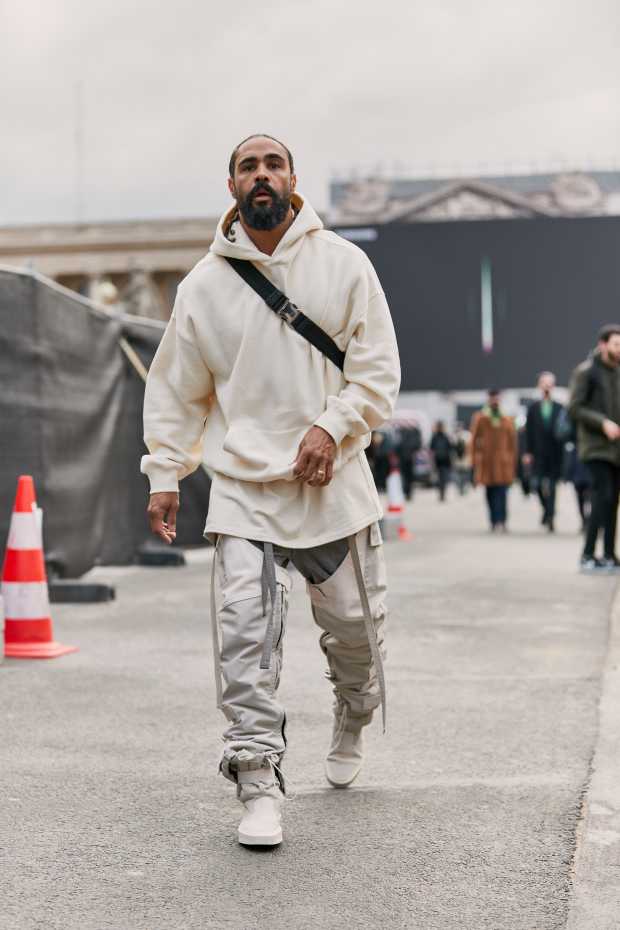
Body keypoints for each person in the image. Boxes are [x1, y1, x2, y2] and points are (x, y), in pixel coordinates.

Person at [141, 134, 401, 847]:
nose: (262, 175)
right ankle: (256, 778)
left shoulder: (345, 263)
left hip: (332, 479)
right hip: (244, 485)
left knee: (355, 628)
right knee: (243, 635)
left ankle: (355, 707)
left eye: (273, 163)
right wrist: (166, 472)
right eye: (248, 166)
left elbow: (377, 372)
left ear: (293, 178)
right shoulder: (202, 286)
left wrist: (334, 425)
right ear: (231, 187)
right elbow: (177, 391)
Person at [568, 324, 620, 573]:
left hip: (616, 449)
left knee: (613, 502)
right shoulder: (586, 372)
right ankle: (588, 554)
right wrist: (603, 423)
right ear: (603, 345)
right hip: (596, 447)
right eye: (616, 345)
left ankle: (609, 555)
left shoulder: (618, 372)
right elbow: (574, 408)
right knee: (603, 496)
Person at [470, 390, 517, 531]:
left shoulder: (507, 419)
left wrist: (512, 461)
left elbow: (512, 443)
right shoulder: (481, 418)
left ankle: (502, 521)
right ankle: (493, 520)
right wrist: (474, 460)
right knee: (490, 494)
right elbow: (473, 441)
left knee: (502, 494)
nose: (495, 401)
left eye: (497, 398)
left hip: (503, 464)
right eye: (492, 398)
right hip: (487, 463)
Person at [523, 372, 565, 532]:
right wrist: (527, 452)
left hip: (555, 453)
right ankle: (546, 510)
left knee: (553, 486)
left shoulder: (560, 408)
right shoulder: (533, 408)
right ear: (540, 385)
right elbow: (528, 432)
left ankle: (551, 516)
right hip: (538, 453)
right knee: (538, 484)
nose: (547, 386)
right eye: (544, 383)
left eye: (549, 383)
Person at [397, 421, 422, 500]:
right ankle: (408, 493)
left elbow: (397, 447)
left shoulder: (402, 435)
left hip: (404, 459)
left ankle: (406, 492)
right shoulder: (413, 435)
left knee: (405, 476)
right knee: (408, 477)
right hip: (409, 459)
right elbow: (417, 446)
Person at [430, 421, 453, 501]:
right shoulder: (445, 436)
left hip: (439, 460)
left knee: (440, 478)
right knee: (443, 478)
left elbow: (431, 448)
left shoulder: (435, 436)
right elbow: (450, 448)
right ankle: (442, 493)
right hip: (444, 460)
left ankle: (441, 493)